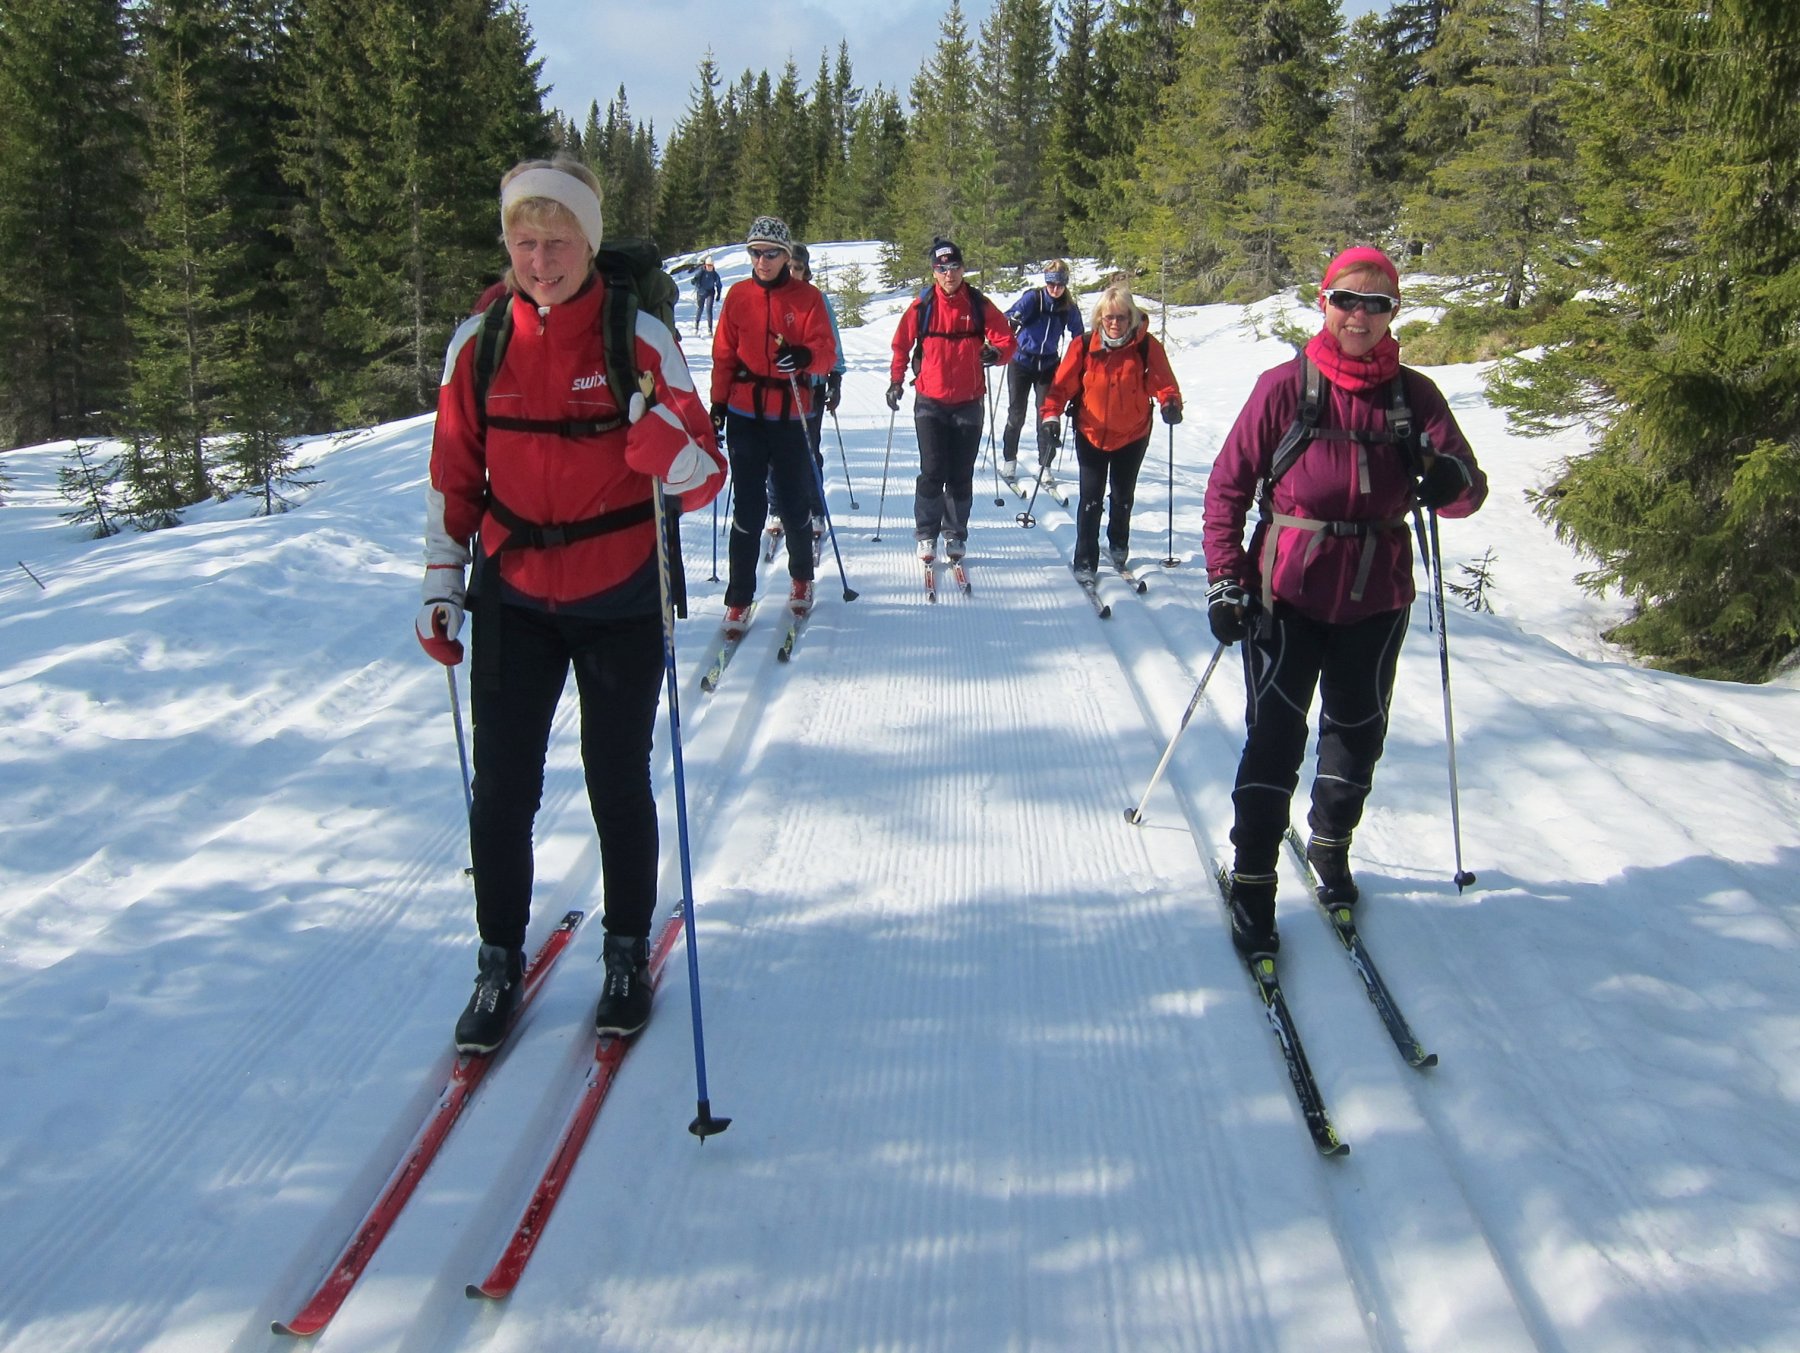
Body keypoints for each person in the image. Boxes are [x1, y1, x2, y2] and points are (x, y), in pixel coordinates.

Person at [418, 157, 724, 1052]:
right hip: (513, 591)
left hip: (622, 590)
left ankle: (626, 949)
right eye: (523, 240)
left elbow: (706, 473)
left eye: (556, 241)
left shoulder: (640, 338)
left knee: (615, 777)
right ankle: (497, 956)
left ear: (588, 242)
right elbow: (452, 475)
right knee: (501, 791)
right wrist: (443, 583)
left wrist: (661, 445)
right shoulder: (480, 343)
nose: (539, 259)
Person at [1202, 245, 1487, 960]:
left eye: (1377, 303)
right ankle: (1254, 878)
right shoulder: (1283, 388)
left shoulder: (1415, 396)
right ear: (1323, 303)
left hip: (1377, 595)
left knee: (1357, 730)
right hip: (1286, 596)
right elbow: (1227, 489)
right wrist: (1225, 579)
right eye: (1347, 300)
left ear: (1395, 313)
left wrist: (1448, 476)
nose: (1360, 315)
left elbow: (1467, 493)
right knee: (1275, 736)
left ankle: (1330, 844)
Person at [711, 216, 838, 631]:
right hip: (746, 414)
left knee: (793, 500)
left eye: (770, 253)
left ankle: (801, 577)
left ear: (786, 256)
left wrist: (803, 356)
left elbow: (825, 350)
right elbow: (724, 354)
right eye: (754, 252)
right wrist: (717, 404)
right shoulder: (737, 296)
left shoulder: (808, 298)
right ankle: (738, 598)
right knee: (747, 509)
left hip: (790, 413)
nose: (761, 261)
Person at [885, 237, 1017, 563]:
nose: (949, 274)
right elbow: (901, 345)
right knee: (932, 470)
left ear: (962, 268)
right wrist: (895, 382)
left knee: (960, 473)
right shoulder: (923, 306)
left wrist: (995, 353)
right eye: (942, 268)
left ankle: (956, 533)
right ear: (934, 271)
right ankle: (926, 533)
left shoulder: (977, 304)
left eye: (954, 267)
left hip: (969, 401)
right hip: (930, 400)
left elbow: (1008, 341)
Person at [1039, 282, 1181, 582]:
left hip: (1133, 433)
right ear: (1099, 319)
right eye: (1108, 318)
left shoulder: (1145, 346)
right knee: (1090, 497)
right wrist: (1050, 415)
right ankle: (1085, 558)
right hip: (1090, 432)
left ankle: (1119, 543)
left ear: (1131, 317)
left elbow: (1164, 382)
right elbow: (1060, 388)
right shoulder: (1084, 345)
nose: (1115, 323)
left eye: (1121, 317)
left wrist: (1170, 403)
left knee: (1122, 494)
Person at [766, 242, 846, 552]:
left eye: (797, 268)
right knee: (774, 454)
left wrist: (835, 380)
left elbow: (833, 343)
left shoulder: (817, 300)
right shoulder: (769, 297)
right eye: (788, 267)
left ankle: (815, 510)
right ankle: (776, 507)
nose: (792, 273)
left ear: (805, 270)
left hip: (810, 388)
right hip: (774, 390)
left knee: (809, 451)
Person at [1002, 259, 1084, 479]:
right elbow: (1008, 316)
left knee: (1047, 416)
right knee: (1016, 413)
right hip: (1021, 361)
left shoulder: (1068, 307)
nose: (1055, 289)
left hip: (1048, 364)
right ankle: (1009, 460)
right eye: (1051, 284)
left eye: (1060, 285)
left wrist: (1079, 362)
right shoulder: (1033, 298)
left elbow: (1080, 337)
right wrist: (1011, 321)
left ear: (1065, 284)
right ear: (1046, 282)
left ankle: (1045, 465)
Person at [693, 255, 721, 336]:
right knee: (700, 308)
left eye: (711, 265)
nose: (709, 267)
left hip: (710, 292)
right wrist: (695, 283)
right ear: (705, 265)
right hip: (701, 292)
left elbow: (719, 284)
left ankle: (710, 329)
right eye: (708, 265)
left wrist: (718, 294)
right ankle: (696, 326)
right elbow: (696, 280)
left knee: (709, 310)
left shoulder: (714, 274)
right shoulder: (701, 272)